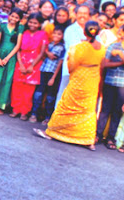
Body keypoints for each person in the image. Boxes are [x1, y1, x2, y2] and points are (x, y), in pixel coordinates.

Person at [34, 21, 105, 151]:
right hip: (93, 79)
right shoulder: (101, 47)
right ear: (98, 32)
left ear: (84, 32)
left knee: (67, 104)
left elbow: (71, 65)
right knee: (88, 109)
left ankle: (53, 132)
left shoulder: (80, 47)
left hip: (80, 78)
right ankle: (88, 140)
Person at [97, 24, 124, 149]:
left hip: (123, 85)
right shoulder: (113, 46)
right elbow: (104, 64)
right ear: (123, 34)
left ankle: (111, 138)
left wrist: (120, 55)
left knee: (116, 111)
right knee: (105, 110)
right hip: (110, 81)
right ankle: (98, 135)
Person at [10, 12, 48, 120]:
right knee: (17, 87)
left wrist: (32, 65)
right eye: (31, 22)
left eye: (35, 23)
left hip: (34, 63)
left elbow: (42, 52)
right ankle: (15, 109)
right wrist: (20, 64)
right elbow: (18, 49)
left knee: (28, 90)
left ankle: (24, 111)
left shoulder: (43, 34)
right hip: (21, 61)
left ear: (39, 24)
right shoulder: (24, 33)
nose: (32, 24)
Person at [56, 5, 91, 104]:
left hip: (86, 71)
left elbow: (97, 47)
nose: (82, 16)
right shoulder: (70, 29)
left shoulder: (93, 30)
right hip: (70, 69)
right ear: (75, 14)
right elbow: (75, 48)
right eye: (80, 13)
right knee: (64, 95)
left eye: (85, 13)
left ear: (89, 16)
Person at [32, 28, 65, 124]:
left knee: (50, 96)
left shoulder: (62, 47)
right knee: (39, 93)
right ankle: (34, 113)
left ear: (62, 36)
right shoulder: (49, 45)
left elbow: (60, 62)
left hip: (52, 72)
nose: (56, 36)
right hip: (43, 70)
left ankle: (47, 116)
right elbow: (43, 53)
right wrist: (47, 52)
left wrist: (54, 77)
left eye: (59, 34)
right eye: (54, 33)